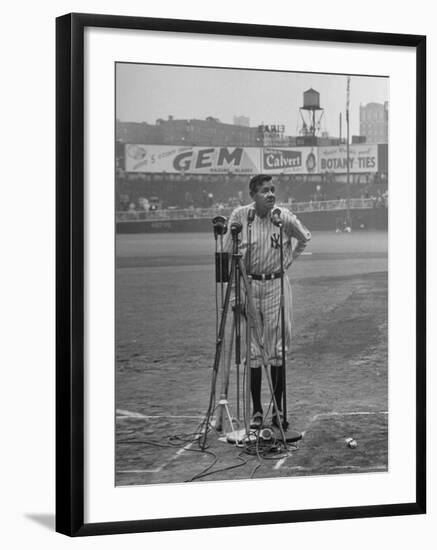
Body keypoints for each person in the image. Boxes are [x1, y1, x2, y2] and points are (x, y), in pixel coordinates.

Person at [223, 174, 311, 430]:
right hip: (249, 284)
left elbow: (305, 237)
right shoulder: (240, 216)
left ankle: (278, 409)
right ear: (253, 195)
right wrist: (237, 294)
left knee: (277, 349)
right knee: (252, 351)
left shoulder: (283, 217)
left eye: (272, 190)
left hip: (276, 285)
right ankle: (257, 412)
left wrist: (289, 261)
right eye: (264, 191)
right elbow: (230, 255)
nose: (271, 194)